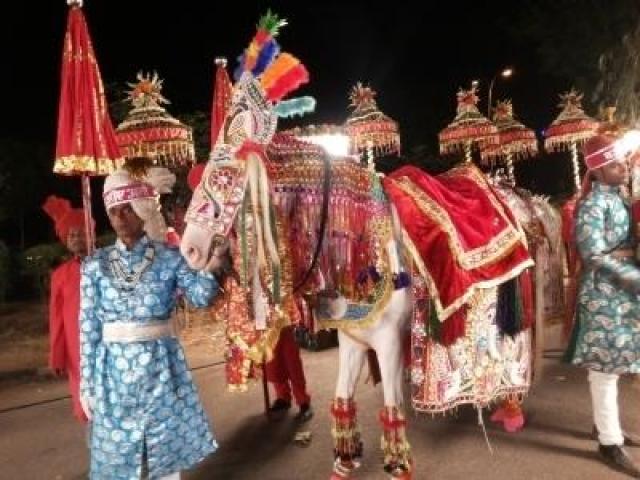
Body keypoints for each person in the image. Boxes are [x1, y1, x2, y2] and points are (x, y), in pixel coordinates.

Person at [79, 166, 220, 480]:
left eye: (127, 209)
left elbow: (200, 297)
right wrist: (86, 385)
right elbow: (88, 329)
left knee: (164, 456)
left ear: (143, 210)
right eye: (114, 211)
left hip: (162, 370)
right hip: (112, 376)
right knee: (118, 460)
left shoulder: (171, 256)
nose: (120, 217)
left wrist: (213, 263)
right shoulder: (94, 265)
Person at [569, 133, 640, 478]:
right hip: (602, 293)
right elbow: (593, 255)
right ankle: (609, 442)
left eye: (623, 162)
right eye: (614, 165)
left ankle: (605, 426)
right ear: (597, 172)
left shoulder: (619, 198)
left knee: (614, 362)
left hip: (620, 291)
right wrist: (633, 277)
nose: (623, 168)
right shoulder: (593, 205)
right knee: (604, 368)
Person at [42, 195, 90, 422]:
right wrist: (57, 356)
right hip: (76, 345)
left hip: (107, 339)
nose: (76, 238)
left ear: (90, 234)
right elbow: (56, 318)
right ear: (65, 241)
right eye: (71, 235)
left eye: (81, 233)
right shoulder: (60, 275)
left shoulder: (106, 264)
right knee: (86, 402)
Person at [265, 303, 313, 421]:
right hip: (267, 320)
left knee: (292, 363)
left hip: (285, 316)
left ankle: (303, 402)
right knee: (273, 362)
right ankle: (283, 397)